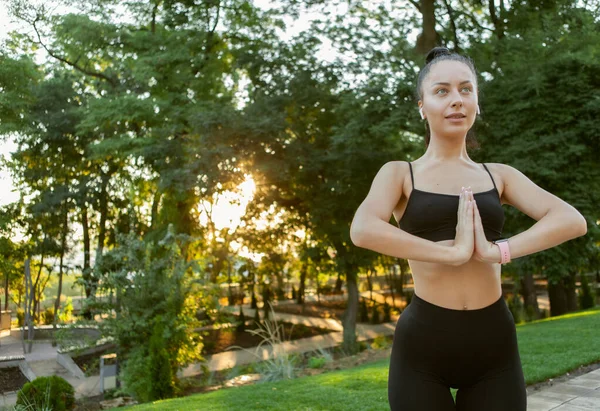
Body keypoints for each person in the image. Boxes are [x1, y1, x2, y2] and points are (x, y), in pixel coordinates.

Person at [349, 47, 588, 411]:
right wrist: (452, 253)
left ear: (477, 102)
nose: (456, 100)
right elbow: (363, 229)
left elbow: (571, 220)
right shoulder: (400, 173)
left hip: (494, 348)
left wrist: (497, 251)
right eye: (442, 91)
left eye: (466, 89)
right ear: (422, 106)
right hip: (423, 349)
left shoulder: (498, 175)